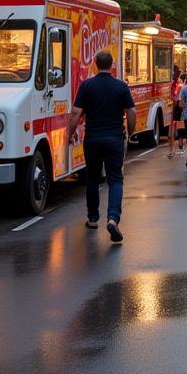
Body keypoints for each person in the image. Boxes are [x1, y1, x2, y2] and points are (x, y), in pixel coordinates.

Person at [68, 49, 135, 244]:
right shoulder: (121, 87)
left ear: (96, 64)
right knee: (115, 179)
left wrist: (69, 134)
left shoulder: (87, 86)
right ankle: (113, 218)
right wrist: (130, 132)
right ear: (112, 65)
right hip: (114, 138)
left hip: (93, 139)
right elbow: (131, 111)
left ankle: (92, 218)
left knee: (92, 178)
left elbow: (76, 112)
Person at [169, 69, 186, 158]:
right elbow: (177, 97)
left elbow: (172, 95)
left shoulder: (173, 83)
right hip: (180, 106)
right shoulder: (180, 85)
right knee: (181, 127)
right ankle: (179, 145)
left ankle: (172, 150)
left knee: (173, 128)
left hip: (176, 107)